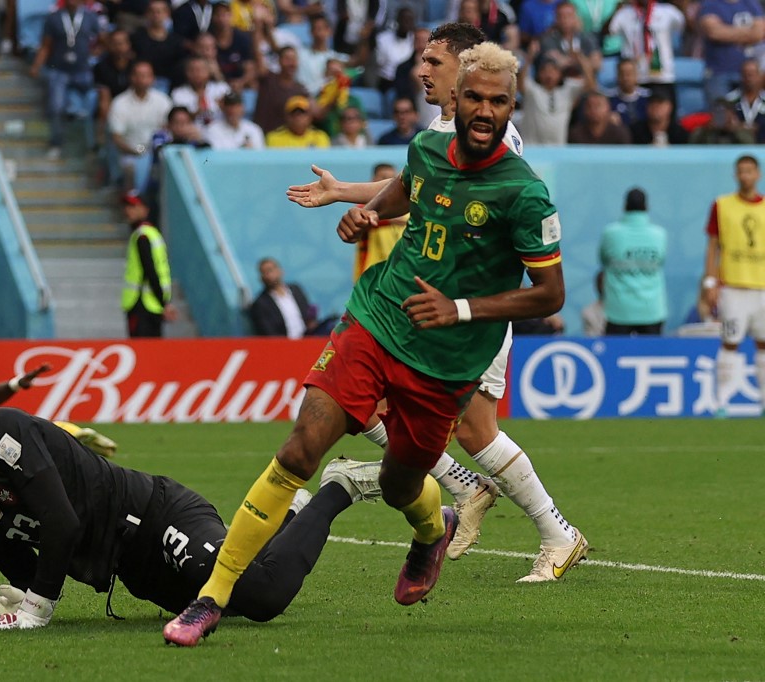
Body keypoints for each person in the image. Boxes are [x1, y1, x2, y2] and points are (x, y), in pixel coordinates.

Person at [164, 41, 575, 647]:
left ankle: (432, 528)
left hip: (445, 361)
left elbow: (550, 294)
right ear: (456, 100)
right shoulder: (428, 145)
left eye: (499, 101)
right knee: (302, 450)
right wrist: (370, 212)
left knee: (399, 486)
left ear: (513, 107)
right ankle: (212, 596)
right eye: (476, 99)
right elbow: (411, 187)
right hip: (377, 319)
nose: (485, 110)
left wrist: (458, 308)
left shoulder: (525, 193)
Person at [284, 25, 583, 583]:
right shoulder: (440, 131)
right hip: (427, 301)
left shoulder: (496, 142)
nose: (422, 70)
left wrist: (462, 304)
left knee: (473, 430)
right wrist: (349, 197)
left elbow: (459, 210)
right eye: (422, 60)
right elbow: (413, 188)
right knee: (389, 408)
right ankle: (467, 492)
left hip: (470, 308)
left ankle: (549, 527)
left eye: (434, 61)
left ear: (465, 68)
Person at [0, 383, 381, 631]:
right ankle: (288, 514)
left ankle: (339, 486)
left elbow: (61, 521)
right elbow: (26, 564)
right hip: (132, 570)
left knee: (263, 597)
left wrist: (35, 610)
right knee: (225, 604)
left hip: (157, 515)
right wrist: (14, 600)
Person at [702, 155, 765, 416]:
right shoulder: (722, 205)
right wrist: (710, 282)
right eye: (741, 171)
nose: (745, 176)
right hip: (733, 286)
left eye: (749, 171)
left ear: (758, 174)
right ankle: (722, 403)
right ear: (735, 175)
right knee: (730, 342)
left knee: (763, 343)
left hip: (762, 287)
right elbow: (713, 246)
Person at [28, 0, 101, 160]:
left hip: (83, 69)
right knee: (55, 107)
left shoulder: (90, 17)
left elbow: (102, 40)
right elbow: (46, 45)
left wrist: (94, 55)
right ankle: (56, 143)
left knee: (92, 106)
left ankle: (91, 145)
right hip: (60, 69)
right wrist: (36, 65)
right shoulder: (54, 18)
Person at [599, 188, 667, 335]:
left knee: (615, 355)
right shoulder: (659, 235)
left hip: (619, 310)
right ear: (647, 207)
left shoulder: (610, 234)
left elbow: (603, 260)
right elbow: (661, 260)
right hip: (651, 310)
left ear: (624, 206)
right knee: (651, 355)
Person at [107, 60, 172, 195]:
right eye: (139, 75)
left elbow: (169, 127)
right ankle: (132, 203)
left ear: (152, 78)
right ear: (131, 77)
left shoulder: (163, 100)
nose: (143, 79)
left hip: (158, 152)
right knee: (131, 167)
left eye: (147, 75)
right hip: (131, 152)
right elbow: (116, 137)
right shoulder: (120, 103)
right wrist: (137, 152)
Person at [122, 193, 176, 337]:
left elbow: (150, 270)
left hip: (141, 305)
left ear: (145, 209)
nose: (128, 210)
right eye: (127, 206)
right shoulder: (154, 233)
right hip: (153, 305)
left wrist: (164, 303)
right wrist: (163, 302)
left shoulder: (142, 236)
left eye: (133, 206)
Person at [697, 0, 765, 106]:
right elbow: (714, 32)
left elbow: (759, 33)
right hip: (718, 73)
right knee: (721, 115)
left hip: (748, 74)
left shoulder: (751, 3)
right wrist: (749, 33)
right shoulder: (710, 4)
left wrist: (727, 31)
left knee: (749, 114)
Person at [248, 257, 335, 338]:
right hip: (285, 346)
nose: (269, 275)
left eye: (270, 270)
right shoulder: (260, 304)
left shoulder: (296, 290)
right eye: (265, 272)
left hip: (307, 339)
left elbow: (307, 313)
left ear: (280, 271)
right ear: (261, 278)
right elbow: (268, 332)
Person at [352, 164, 407, 281]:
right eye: (383, 178)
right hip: (370, 278)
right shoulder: (366, 208)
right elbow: (360, 219)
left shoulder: (407, 210)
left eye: (392, 179)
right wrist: (389, 219)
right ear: (373, 180)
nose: (388, 183)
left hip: (398, 276)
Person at [567, 90, 633, 143]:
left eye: (598, 106)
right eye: (589, 106)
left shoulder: (620, 133)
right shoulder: (575, 134)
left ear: (608, 108)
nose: (593, 109)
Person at [265, 95, 330, 148]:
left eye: (302, 113)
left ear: (309, 117)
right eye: (293, 113)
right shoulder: (274, 138)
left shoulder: (320, 137)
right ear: (286, 117)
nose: (298, 117)